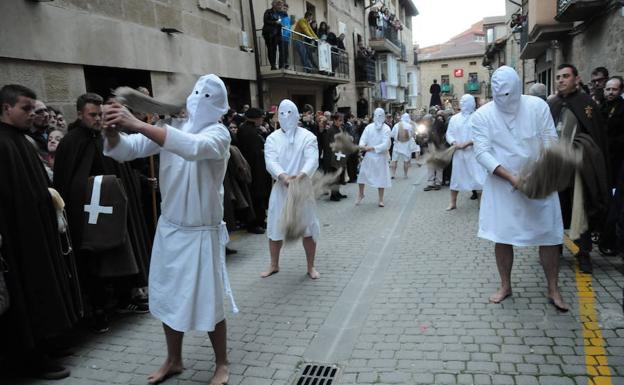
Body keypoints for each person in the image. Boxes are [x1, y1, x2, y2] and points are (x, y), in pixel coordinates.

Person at [102, 74, 237, 385]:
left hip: (202, 232)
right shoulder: (172, 127)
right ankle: (173, 359)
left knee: (209, 301)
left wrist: (137, 123)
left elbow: (192, 148)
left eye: (206, 97)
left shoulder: (219, 134)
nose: (198, 101)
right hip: (170, 229)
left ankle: (222, 362)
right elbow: (127, 149)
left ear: (217, 106)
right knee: (165, 297)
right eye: (197, 94)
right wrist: (111, 133)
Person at [0, 84, 81, 379]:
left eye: (33, 108)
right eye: (25, 108)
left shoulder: (21, 140)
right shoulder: (3, 143)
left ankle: (49, 343)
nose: (32, 113)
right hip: (17, 240)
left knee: (45, 290)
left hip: (38, 232)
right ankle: (31, 359)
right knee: (27, 298)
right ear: (7, 107)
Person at [471, 66, 569, 312]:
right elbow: (482, 152)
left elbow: (550, 140)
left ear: (518, 89)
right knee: (502, 236)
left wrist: (539, 172)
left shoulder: (537, 107)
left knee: (549, 234)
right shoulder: (482, 116)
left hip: (539, 179)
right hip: (502, 184)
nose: (505, 100)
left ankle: (553, 288)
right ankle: (505, 285)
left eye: (509, 94)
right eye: (499, 95)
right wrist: (513, 178)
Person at [53, 93, 152, 332]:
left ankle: (124, 298)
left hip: (115, 212)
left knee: (120, 254)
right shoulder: (71, 142)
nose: (98, 119)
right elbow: (68, 183)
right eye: (92, 115)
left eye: (101, 115)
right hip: (89, 216)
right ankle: (97, 310)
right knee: (95, 263)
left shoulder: (107, 138)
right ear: (79, 114)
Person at [548, 64, 610, 274]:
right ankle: (554, 248)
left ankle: (583, 254)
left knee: (580, 209)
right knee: (555, 208)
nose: (561, 80)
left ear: (576, 78)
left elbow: (596, 137)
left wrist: (579, 147)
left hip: (579, 168)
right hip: (556, 167)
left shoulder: (586, 104)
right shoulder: (553, 104)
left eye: (566, 76)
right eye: (558, 77)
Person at [261, 99, 320, 279]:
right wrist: (283, 176)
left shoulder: (308, 137)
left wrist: (301, 175)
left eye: (290, 113)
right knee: (274, 227)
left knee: (308, 229)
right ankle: (274, 264)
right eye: (282, 114)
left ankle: (311, 267)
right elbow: (271, 161)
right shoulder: (272, 138)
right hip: (280, 188)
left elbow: (312, 159)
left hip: (302, 189)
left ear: (296, 115)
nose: (286, 117)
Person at [445, 94, 486, 210]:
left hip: (473, 153)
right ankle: (453, 202)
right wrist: (453, 143)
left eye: (465, 102)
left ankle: (481, 203)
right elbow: (449, 133)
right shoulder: (454, 118)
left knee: (479, 178)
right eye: (461, 102)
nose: (463, 104)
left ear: (471, 103)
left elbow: (481, 134)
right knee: (456, 178)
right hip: (459, 153)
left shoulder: (478, 117)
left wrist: (469, 143)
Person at [237, 107, 272, 234]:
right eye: (261, 117)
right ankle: (253, 223)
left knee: (260, 195)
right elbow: (253, 152)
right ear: (256, 118)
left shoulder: (251, 129)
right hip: (253, 169)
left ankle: (261, 220)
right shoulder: (248, 131)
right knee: (255, 196)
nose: (262, 120)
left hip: (258, 168)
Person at [356, 107, 391, 207]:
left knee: (381, 178)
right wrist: (362, 145)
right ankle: (361, 194)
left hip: (380, 157)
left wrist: (372, 148)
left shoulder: (386, 129)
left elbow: (385, 144)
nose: (379, 118)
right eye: (377, 115)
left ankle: (380, 199)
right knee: (362, 176)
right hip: (369, 157)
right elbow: (363, 139)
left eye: (381, 116)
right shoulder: (369, 127)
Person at [602, 76, 624, 188]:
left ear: (620, 91)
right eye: (608, 89)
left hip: (617, 158)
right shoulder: (601, 106)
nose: (610, 92)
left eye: (614, 89)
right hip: (603, 157)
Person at [321, 112, 348, 201]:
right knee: (334, 175)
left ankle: (337, 192)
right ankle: (333, 195)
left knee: (339, 175)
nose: (341, 122)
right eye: (339, 120)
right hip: (332, 157)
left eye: (342, 120)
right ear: (335, 120)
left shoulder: (339, 129)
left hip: (339, 155)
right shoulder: (331, 130)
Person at [390, 113, 418, 179]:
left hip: (397, 144)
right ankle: (405, 175)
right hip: (406, 145)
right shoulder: (409, 126)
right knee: (406, 161)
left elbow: (391, 134)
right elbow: (412, 135)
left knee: (394, 160)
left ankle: (393, 174)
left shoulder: (396, 125)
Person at [262, 1, 283, 70]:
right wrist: (275, 22)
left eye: (280, 5)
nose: (279, 7)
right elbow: (266, 21)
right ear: (273, 5)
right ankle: (272, 65)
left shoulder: (278, 14)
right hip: (268, 33)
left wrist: (280, 25)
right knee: (270, 49)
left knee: (274, 50)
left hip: (276, 34)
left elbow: (279, 23)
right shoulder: (268, 11)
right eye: (278, 5)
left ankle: (274, 65)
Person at [278, 2, 291, 69]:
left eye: (286, 9)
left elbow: (289, 27)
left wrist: (289, 33)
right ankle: (281, 65)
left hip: (286, 37)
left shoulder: (288, 18)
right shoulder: (279, 15)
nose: (285, 9)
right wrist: (282, 25)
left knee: (286, 52)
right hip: (281, 36)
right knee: (282, 51)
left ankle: (286, 64)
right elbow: (278, 22)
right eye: (284, 8)